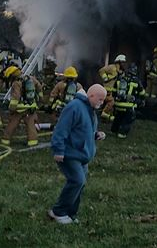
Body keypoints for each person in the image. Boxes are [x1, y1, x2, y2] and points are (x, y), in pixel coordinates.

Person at [49, 84, 107, 225]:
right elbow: (61, 129)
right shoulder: (74, 107)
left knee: (80, 184)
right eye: (100, 99)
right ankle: (58, 211)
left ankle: (70, 213)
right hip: (70, 154)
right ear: (91, 95)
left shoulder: (90, 109)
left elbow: (82, 130)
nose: (102, 103)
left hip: (81, 155)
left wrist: (95, 135)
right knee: (77, 181)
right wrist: (58, 150)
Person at [2, 65, 42, 146]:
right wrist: (39, 100)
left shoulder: (16, 83)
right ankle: (32, 141)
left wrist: (11, 109)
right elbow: (39, 88)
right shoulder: (31, 79)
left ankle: (5, 140)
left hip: (19, 108)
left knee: (12, 124)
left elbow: (15, 98)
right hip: (31, 106)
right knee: (30, 125)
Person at [110, 63, 146, 139]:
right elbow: (142, 93)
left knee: (118, 117)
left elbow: (113, 92)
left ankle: (114, 130)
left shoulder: (120, 78)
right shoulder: (136, 81)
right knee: (128, 118)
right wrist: (141, 100)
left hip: (117, 104)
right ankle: (122, 134)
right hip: (128, 106)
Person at [97, 54, 127, 121]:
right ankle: (104, 114)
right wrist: (105, 78)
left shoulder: (121, 72)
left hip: (114, 91)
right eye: (122, 62)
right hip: (108, 90)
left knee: (111, 105)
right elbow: (101, 70)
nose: (124, 64)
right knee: (111, 102)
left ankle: (106, 118)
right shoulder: (112, 68)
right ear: (118, 62)